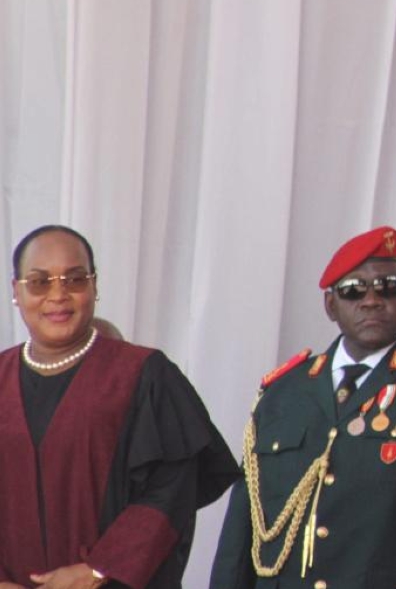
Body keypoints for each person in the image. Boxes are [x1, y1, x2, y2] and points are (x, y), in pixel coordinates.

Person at [209, 226, 396, 589]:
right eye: (353, 290)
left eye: (388, 286)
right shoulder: (282, 392)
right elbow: (242, 528)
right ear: (330, 305)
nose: (371, 300)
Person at [0, 225, 238, 589]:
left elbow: (173, 487)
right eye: (39, 282)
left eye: (75, 279)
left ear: (94, 286)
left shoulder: (143, 374)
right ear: (16, 291)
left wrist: (98, 570)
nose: (58, 295)